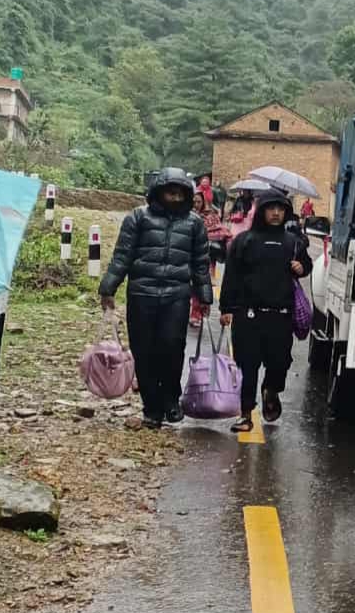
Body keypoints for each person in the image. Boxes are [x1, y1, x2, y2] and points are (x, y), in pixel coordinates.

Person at [98, 167, 215, 430]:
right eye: (170, 192)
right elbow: (122, 256)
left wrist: (204, 296)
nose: (175, 198)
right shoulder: (138, 218)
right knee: (144, 351)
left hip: (177, 295)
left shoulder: (194, 224)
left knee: (172, 347)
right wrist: (108, 288)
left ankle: (171, 400)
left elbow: (200, 263)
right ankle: (151, 407)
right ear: (158, 192)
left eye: (180, 193)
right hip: (142, 293)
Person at [219, 188, 312, 432]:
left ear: (286, 213)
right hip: (248, 314)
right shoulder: (244, 241)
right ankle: (245, 414)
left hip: (281, 315)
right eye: (271, 208)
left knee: (279, 363)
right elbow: (231, 276)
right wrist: (226, 308)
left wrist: (301, 267)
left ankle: (271, 390)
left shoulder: (293, 243)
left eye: (280, 209)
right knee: (247, 366)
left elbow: (307, 265)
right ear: (261, 211)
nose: (276, 213)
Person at [189, 190, 231, 329]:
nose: (196, 204)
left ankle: (197, 314)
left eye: (198, 202)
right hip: (188, 256)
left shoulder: (211, 216)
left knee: (200, 285)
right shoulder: (185, 215)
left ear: (203, 202)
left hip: (206, 257)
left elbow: (219, 231)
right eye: (193, 201)